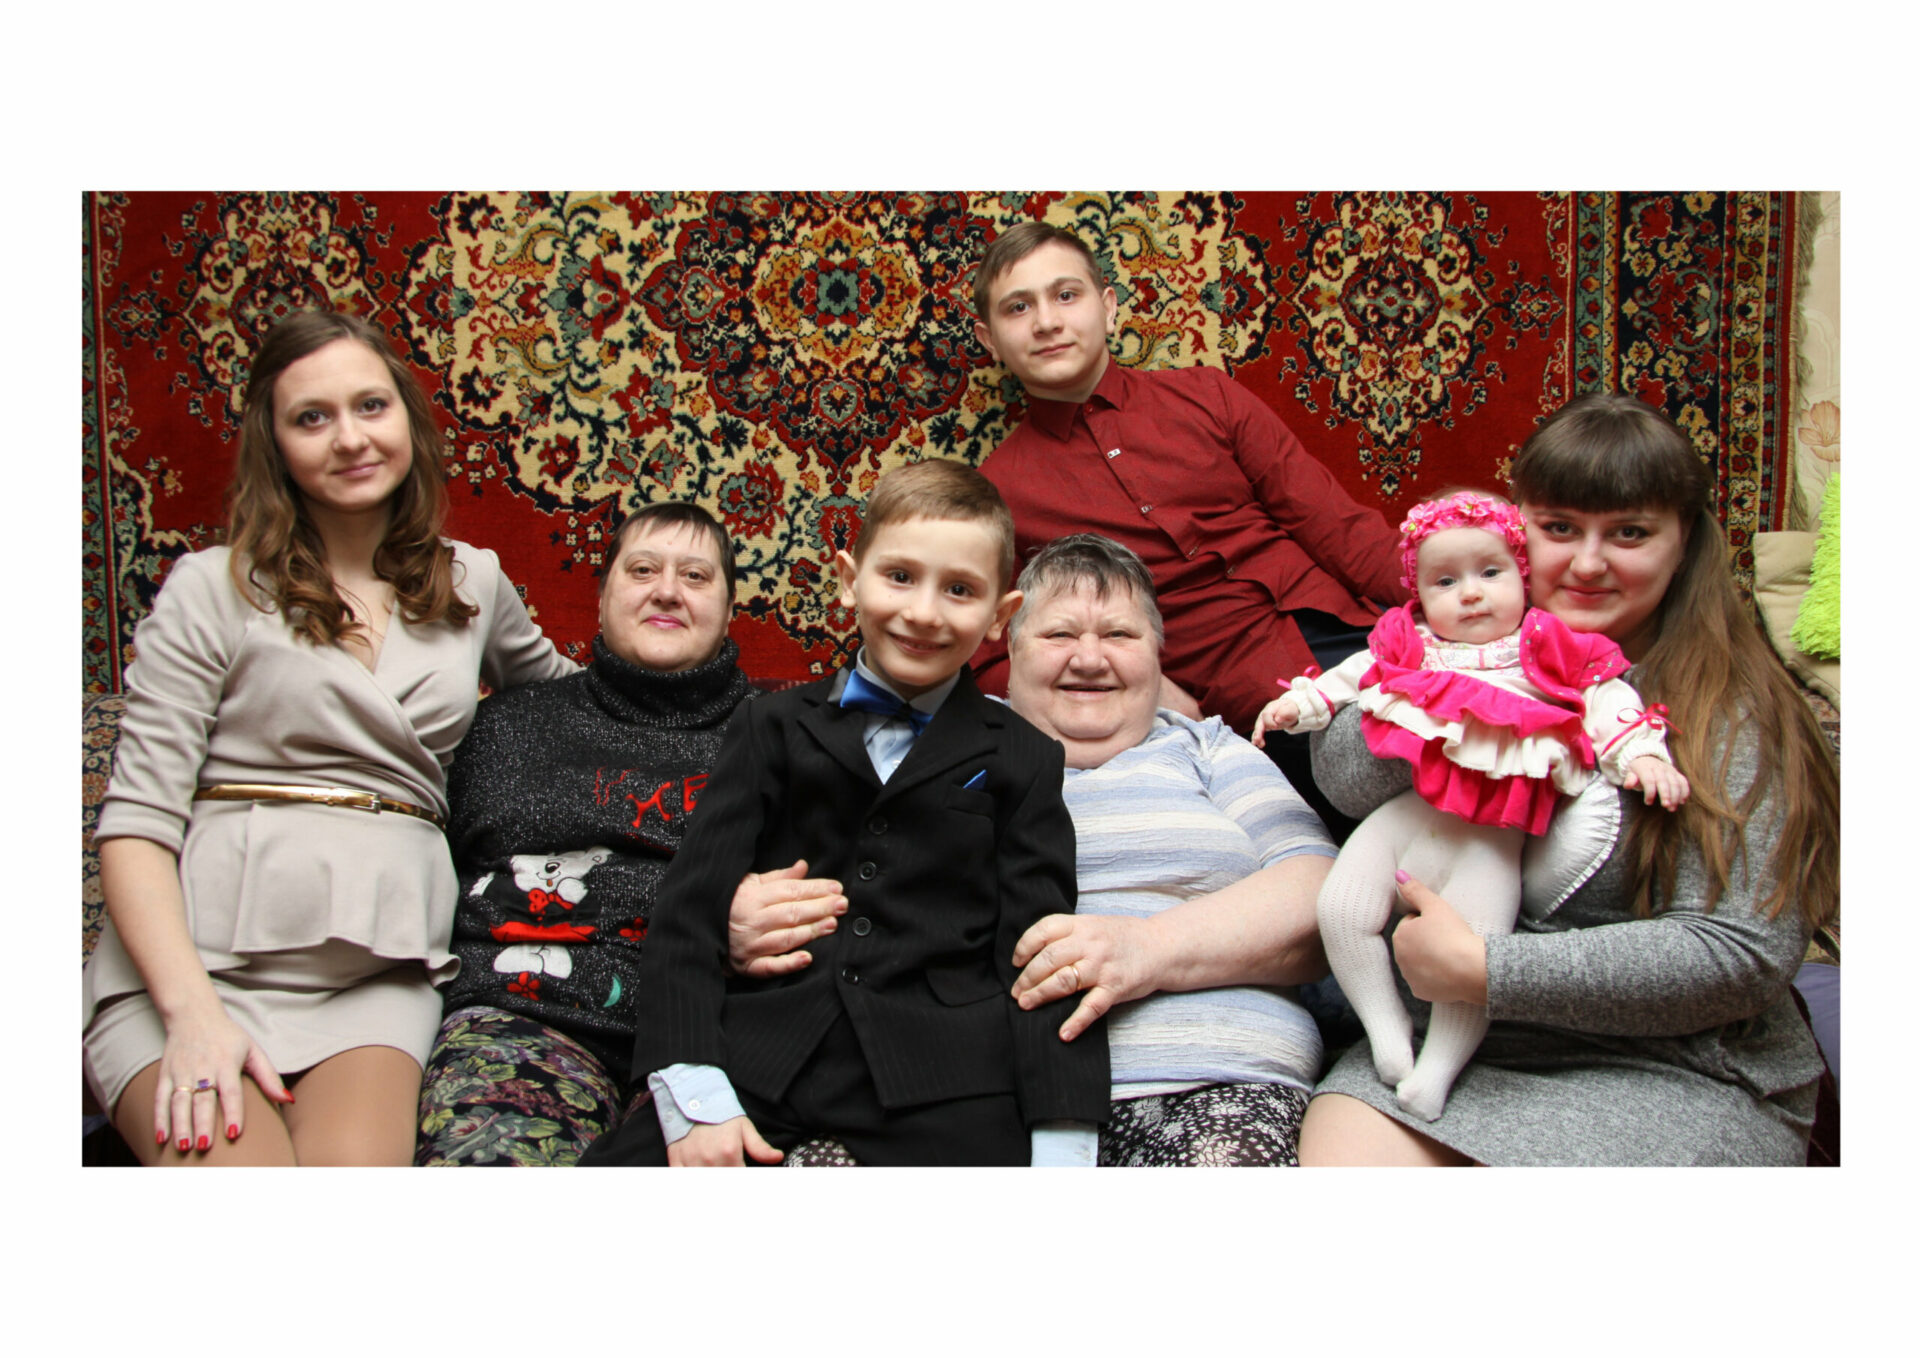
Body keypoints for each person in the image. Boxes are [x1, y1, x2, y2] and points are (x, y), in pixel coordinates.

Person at [82, 310, 575, 1166]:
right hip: (195, 970)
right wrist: (191, 1015)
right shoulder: (210, 587)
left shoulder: (472, 580)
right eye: (312, 417)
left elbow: (579, 705)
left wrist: (755, 711)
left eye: (370, 406)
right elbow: (137, 823)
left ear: (408, 421)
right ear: (274, 444)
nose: (350, 438)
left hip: (377, 975)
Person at [1297, 393, 1841, 1166]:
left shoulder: (1734, 710)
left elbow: (1741, 955)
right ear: (1515, 533)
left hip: (1678, 1064)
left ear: (1684, 542)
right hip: (1448, 1050)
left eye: (1629, 533)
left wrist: (1488, 970)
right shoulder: (1445, 637)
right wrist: (1463, 688)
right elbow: (1347, 784)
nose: (1587, 563)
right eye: (1559, 529)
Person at [727, 534, 1339, 1166]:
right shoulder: (936, 741)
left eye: (1120, 635)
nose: (1090, 659)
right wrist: (734, 911)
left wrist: (1147, 948)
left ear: (1158, 655)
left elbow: (1327, 896)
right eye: (1059, 634)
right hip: (962, 1096)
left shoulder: (1210, 748)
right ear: (1007, 646)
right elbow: (824, 853)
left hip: (1208, 1080)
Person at [579, 459, 1109, 1167]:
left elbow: (1041, 954)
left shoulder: (1025, 756)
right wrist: (695, 1093)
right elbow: (689, 912)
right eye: (900, 576)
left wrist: (1063, 1137)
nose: (924, 612)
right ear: (847, 579)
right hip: (760, 1057)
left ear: (999, 617)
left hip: (946, 1077)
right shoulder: (768, 726)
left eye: (959, 589)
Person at [1252, 489, 1688, 1121]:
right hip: (1408, 816)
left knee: (1475, 954)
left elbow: (1608, 697)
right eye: (1446, 582)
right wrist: (1301, 704)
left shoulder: (1549, 642)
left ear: (1522, 575)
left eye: (1490, 573)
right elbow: (1352, 675)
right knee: (1340, 908)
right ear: (1418, 595)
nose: (1472, 594)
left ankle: (1438, 1071)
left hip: (1492, 833)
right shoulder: (1411, 642)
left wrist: (1642, 754)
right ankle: (1386, 1032)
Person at [967, 220, 1404, 833]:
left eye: (1066, 295)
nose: (1046, 321)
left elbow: (1339, 528)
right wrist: (1145, 693)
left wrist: (1463, 596)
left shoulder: (1208, 395)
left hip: (1358, 638)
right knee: (1394, 782)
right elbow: (987, 656)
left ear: (1108, 306)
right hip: (1252, 710)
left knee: (1494, 710)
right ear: (989, 339)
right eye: (1019, 307)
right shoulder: (999, 489)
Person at [415, 501, 778, 1166]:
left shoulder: (782, 736)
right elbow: (442, 884)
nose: (667, 590)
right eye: (642, 570)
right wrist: (699, 909)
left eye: (696, 576)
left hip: (714, 1035)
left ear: (730, 610)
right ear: (603, 595)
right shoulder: (506, 728)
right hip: (523, 1019)